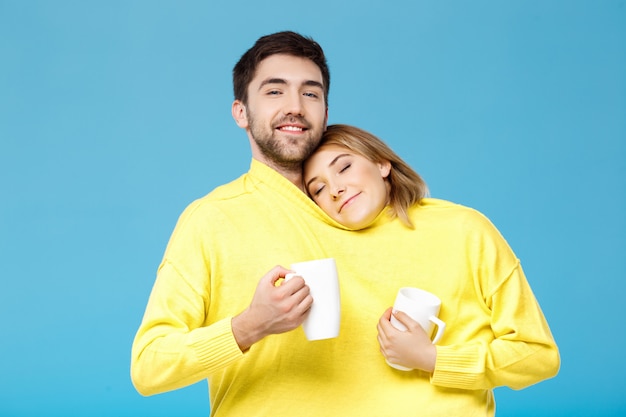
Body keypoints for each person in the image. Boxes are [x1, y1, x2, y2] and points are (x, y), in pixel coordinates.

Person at [131, 30, 559, 416]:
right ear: (241, 112)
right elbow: (150, 367)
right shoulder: (212, 220)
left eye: (310, 93)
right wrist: (250, 325)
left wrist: (434, 358)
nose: (295, 107)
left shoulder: (458, 229)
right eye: (274, 91)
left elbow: (536, 354)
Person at [302, 123, 560, 408]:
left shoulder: (465, 230)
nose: (336, 189)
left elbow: (537, 355)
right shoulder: (317, 260)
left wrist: (432, 359)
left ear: (382, 163)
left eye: (344, 167)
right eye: (319, 188)